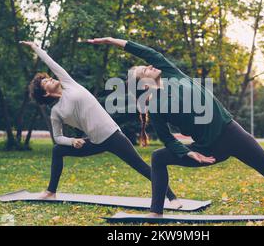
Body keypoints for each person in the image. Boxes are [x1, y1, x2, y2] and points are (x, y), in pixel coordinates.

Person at [87, 37, 264, 218]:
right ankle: (156, 213)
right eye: (145, 70)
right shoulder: (157, 107)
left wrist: (111, 41)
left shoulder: (173, 74)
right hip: (207, 150)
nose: (150, 66)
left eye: (148, 66)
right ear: (144, 83)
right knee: (158, 157)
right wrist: (188, 152)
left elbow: (145, 51)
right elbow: (168, 140)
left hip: (232, 133)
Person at [20, 41, 181, 209]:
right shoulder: (56, 112)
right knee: (57, 150)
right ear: (46, 93)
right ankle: (50, 191)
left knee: (141, 166)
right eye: (45, 81)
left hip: (112, 135)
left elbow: (51, 63)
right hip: (95, 141)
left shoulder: (69, 83)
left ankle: (172, 197)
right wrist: (72, 141)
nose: (50, 78)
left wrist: (35, 48)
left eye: (48, 77)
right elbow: (58, 137)